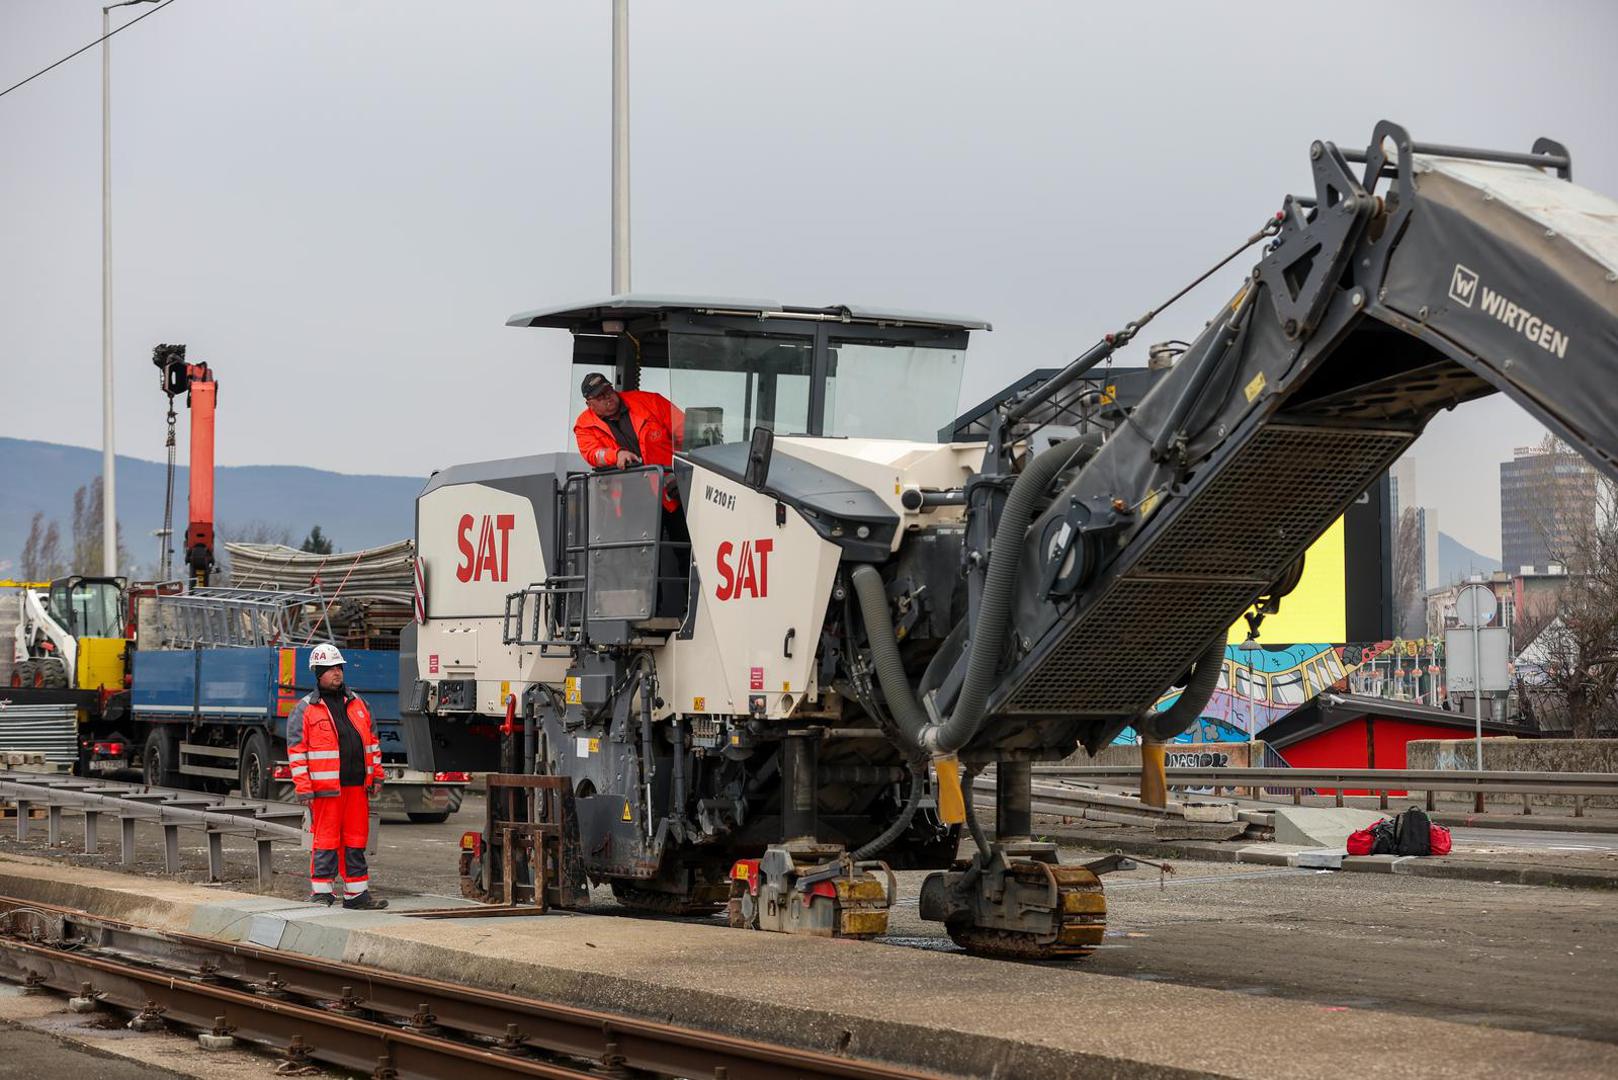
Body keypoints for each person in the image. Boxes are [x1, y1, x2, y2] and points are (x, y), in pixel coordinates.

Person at [287, 643, 388, 909]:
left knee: (356, 841)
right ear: (318, 674)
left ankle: (357, 895)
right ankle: (322, 893)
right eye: (330, 669)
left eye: (339, 668)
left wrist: (376, 776)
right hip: (325, 790)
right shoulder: (305, 709)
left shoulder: (359, 704)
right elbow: (296, 752)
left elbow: (372, 744)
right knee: (326, 841)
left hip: (356, 788)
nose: (337, 673)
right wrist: (303, 787)